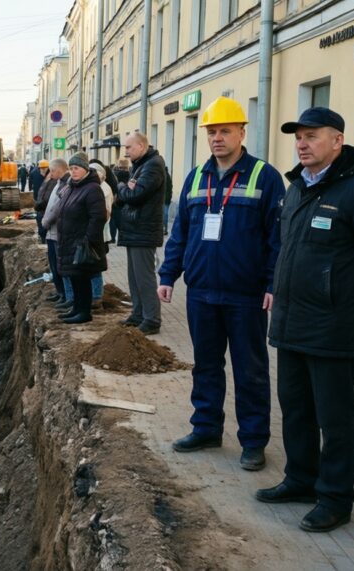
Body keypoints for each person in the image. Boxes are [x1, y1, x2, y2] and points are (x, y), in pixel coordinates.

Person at [255, 107, 354, 533]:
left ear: (337, 141)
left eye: (312, 136)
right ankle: (300, 479)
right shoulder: (297, 188)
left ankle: (335, 498)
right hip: (291, 322)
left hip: (333, 327)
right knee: (295, 409)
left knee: (335, 417)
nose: (302, 144)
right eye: (298, 137)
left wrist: (352, 308)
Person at [157, 96, 286, 472]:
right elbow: (180, 231)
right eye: (212, 131)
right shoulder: (196, 177)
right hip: (201, 294)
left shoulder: (265, 177)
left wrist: (272, 283)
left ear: (242, 133)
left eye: (225, 131)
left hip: (245, 296)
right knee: (206, 366)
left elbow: (277, 238)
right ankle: (206, 428)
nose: (217, 138)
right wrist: (168, 275)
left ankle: (253, 441)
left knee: (250, 370)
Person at [116, 133, 167, 335]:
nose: (126, 152)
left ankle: (152, 319)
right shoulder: (140, 165)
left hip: (143, 229)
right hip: (134, 229)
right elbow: (126, 197)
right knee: (133, 277)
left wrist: (122, 187)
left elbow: (135, 195)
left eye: (129, 147)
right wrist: (126, 190)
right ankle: (138, 314)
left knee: (144, 277)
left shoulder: (153, 165)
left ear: (141, 145)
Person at [55, 154, 108, 324]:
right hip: (70, 241)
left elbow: (98, 217)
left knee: (82, 278)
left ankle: (84, 312)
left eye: (76, 168)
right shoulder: (73, 187)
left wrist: (87, 240)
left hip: (82, 243)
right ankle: (77, 309)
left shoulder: (92, 188)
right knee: (75, 277)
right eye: (71, 168)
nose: (73, 171)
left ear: (85, 169)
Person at [41, 159, 70, 305]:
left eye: (52, 171)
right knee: (54, 265)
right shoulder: (57, 183)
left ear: (60, 170)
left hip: (57, 232)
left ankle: (66, 295)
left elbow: (57, 209)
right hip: (51, 233)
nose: (50, 174)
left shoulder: (66, 185)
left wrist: (46, 222)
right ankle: (60, 293)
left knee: (60, 266)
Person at [89, 162, 114, 307]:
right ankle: (93, 294)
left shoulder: (103, 189)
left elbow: (105, 214)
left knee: (96, 266)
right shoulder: (97, 187)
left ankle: (97, 296)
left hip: (100, 235)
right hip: (95, 234)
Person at [33, 160, 54, 244]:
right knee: (39, 219)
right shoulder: (35, 173)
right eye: (41, 168)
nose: (43, 170)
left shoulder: (51, 177)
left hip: (45, 204)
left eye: (45, 168)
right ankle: (42, 237)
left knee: (43, 220)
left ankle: (44, 238)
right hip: (39, 200)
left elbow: (48, 194)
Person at [110, 158, 131, 243]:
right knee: (122, 222)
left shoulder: (114, 174)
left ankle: (112, 237)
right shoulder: (131, 175)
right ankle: (122, 238)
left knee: (113, 221)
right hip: (125, 201)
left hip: (115, 201)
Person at [163, 165, 174, 235]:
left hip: (164, 199)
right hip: (166, 199)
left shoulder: (163, 176)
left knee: (164, 214)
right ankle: (164, 229)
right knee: (165, 215)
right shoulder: (167, 176)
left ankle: (164, 229)